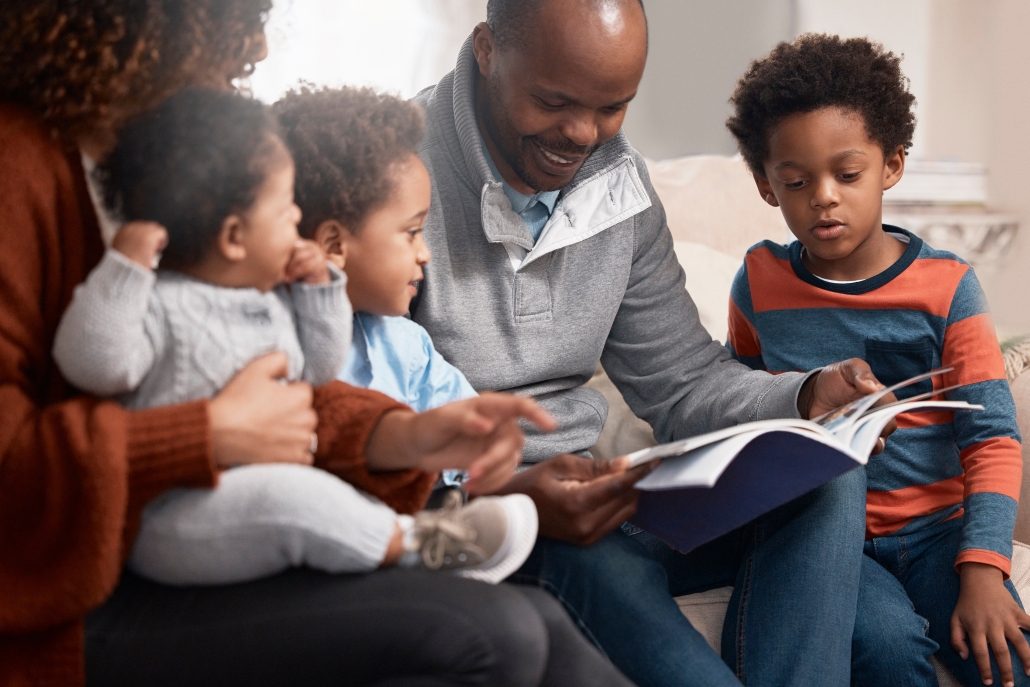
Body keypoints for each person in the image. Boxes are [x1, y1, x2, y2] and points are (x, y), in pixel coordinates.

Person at [0, 2, 637, 685]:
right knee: (496, 631)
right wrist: (203, 435)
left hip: (180, 542)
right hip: (64, 600)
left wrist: (403, 437)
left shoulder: (155, 160)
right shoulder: (20, 165)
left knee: (539, 619)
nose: (256, 51)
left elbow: (252, 374)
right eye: (230, 22)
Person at [408, 1, 898, 685]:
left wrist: (806, 395)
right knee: (596, 564)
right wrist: (512, 499)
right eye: (554, 101)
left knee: (828, 473)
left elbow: (685, 382)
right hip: (499, 518)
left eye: (612, 106)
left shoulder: (619, 182)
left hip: (602, 499)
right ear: (488, 50)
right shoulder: (396, 178)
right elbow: (363, 428)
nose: (581, 135)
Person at [53, 86, 540, 587]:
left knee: (302, 496)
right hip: (173, 515)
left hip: (246, 507)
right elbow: (94, 363)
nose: (297, 222)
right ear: (234, 237)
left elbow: (317, 368)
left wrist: (321, 289)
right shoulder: (161, 303)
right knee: (299, 498)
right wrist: (123, 270)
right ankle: (417, 544)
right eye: (286, 209)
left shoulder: (268, 308)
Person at [725, 34, 1028, 687]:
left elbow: (994, 437)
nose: (824, 197)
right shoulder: (758, 283)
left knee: (1008, 657)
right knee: (888, 655)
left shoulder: (947, 287)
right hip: (831, 544)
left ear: (892, 164)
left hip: (942, 532)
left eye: (848, 173)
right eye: (797, 181)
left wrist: (983, 567)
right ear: (765, 185)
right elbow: (738, 398)